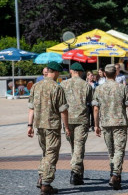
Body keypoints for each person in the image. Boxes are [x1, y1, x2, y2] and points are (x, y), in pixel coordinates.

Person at [92, 64, 128, 190]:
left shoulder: (99, 89)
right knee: (119, 150)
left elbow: (95, 108)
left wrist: (96, 125)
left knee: (111, 151)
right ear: (116, 74)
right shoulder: (121, 88)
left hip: (106, 124)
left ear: (105, 74)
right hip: (120, 123)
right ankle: (116, 174)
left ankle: (114, 175)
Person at [27, 61, 69, 194]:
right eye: (59, 73)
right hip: (52, 126)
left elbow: (31, 108)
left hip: (39, 125)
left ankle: (41, 176)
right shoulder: (57, 88)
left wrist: (29, 125)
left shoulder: (35, 86)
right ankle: (46, 183)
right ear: (55, 72)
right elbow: (63, 110)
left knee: (45, 152)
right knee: (51, 154)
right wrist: (66, 127)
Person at [60, 62, 93, 185]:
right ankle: (75, 171)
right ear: (81, 72)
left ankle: (79, 173)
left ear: (71, 71)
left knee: (74, 146)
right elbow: (91, 101)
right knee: (79, 146)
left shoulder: (63, 84)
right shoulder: (86, 85)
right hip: (81, 119)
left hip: (67, 119)